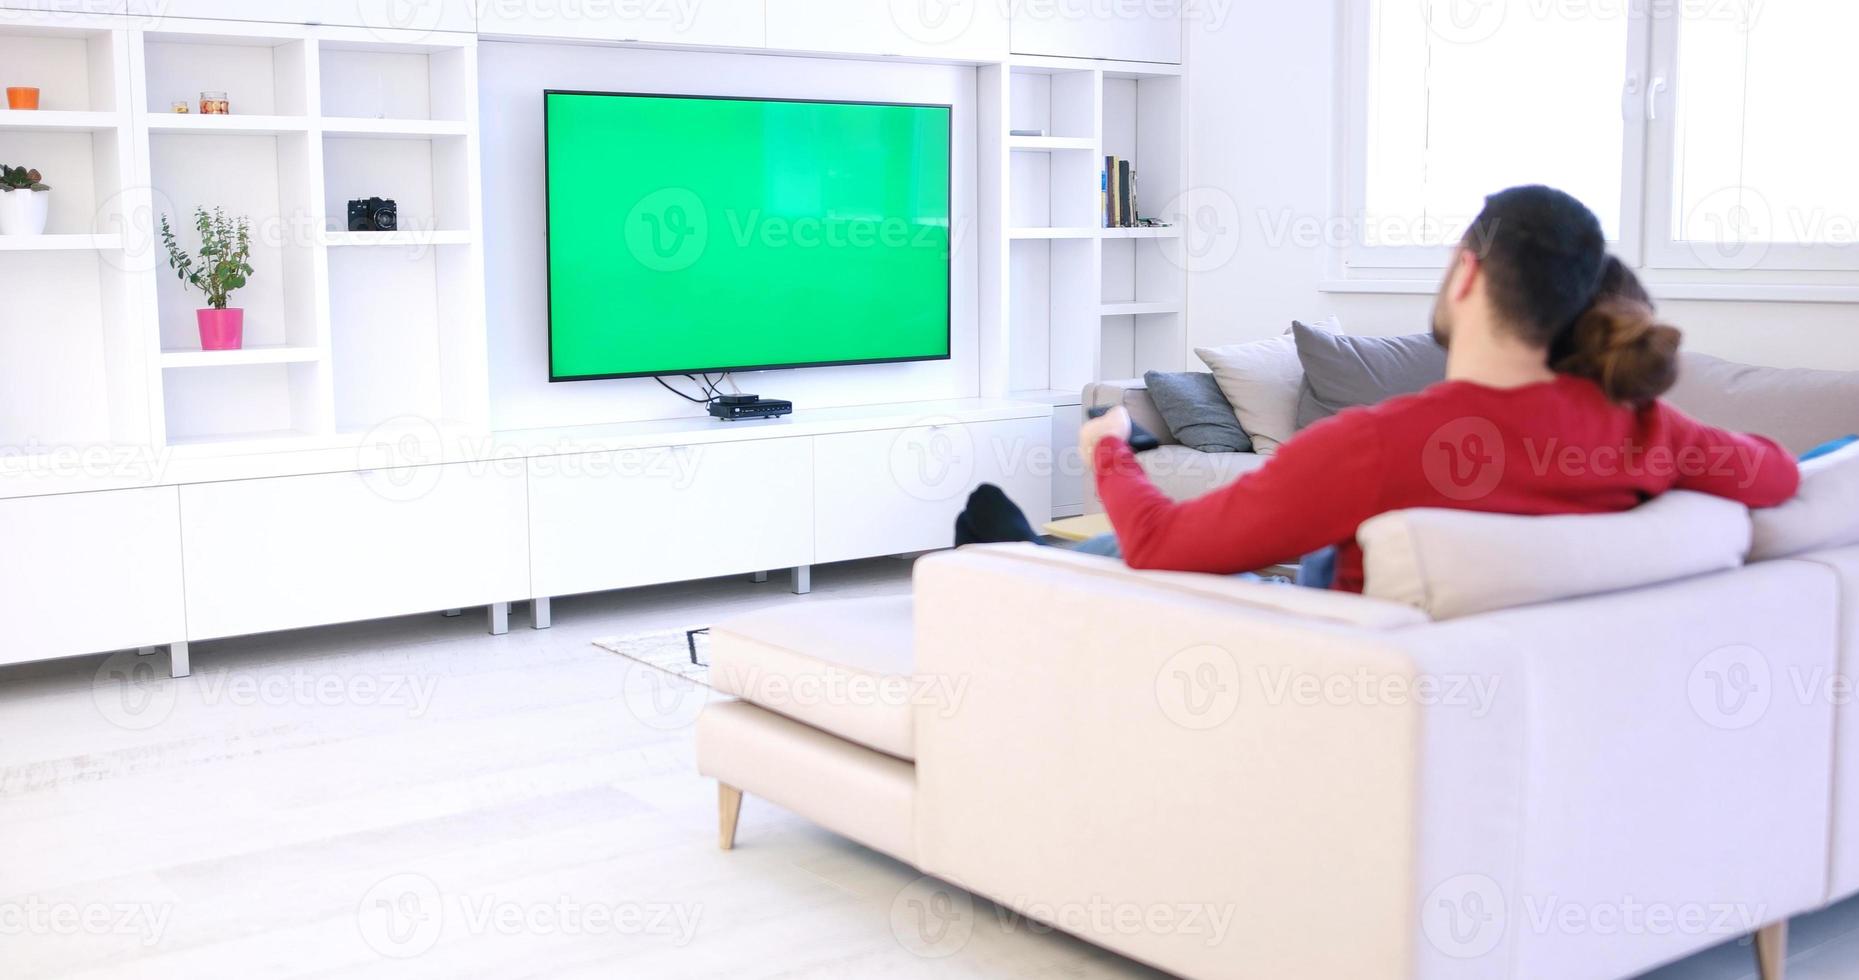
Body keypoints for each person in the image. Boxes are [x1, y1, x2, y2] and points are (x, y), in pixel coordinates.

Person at [956, 185, 1800, 592]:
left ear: (1466, 274)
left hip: (1341, 669)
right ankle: (1022, 555)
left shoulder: (1381, 442)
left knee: (1224, 567)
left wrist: (1107, 453)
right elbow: (1780, 474)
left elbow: (1162, 550)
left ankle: (1011, 571)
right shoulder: (1648, 432)